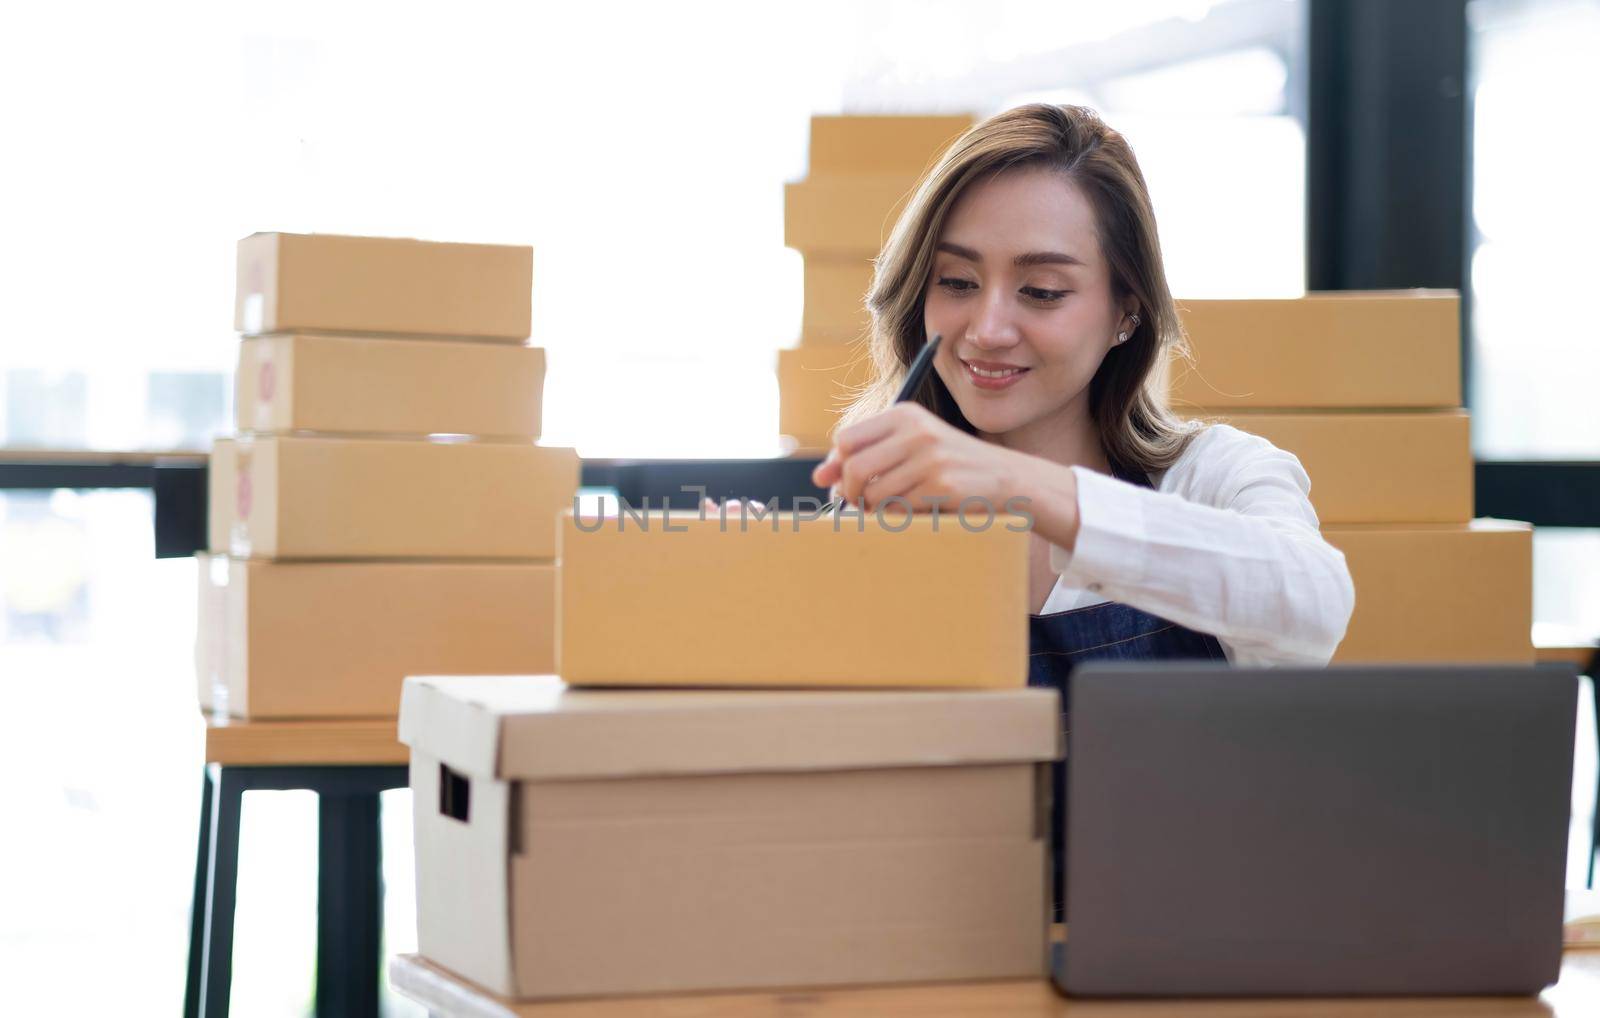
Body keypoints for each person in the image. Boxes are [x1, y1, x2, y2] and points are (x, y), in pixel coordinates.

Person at [809, 103, 1356, 916]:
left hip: (1184, 967)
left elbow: (1313, 604)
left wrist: (1021, 489)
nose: (986, 328)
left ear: (1126, 310)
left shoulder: (1215, 475)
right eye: (956, 283)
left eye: (1041, 290)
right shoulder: (873, 521)